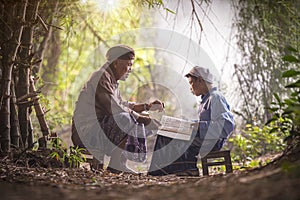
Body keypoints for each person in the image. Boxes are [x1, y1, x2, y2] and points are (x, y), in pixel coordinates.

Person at [71, 44, 163, 174]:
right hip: (86, 133)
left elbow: (122, 104)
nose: (130, 69)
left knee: (132, 118)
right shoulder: (100, 76)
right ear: (116, 63)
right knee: (125, 119)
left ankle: (118, 163)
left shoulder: (111, 79)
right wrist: (143, 119)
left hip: (97, 129)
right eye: (129, 65)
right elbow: (114, 109)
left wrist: (146, 107)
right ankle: (116, 164)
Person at [148, 66, 234, 176]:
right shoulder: (206, 99)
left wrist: (199, 126)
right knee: (165, 133)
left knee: (168, 137)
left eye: (191, 83)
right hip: (204, 137)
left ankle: (184, 169)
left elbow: (227, 125)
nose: (190, 88)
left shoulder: (215, 97)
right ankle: (173, 169)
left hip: (213, 141)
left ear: (200, 80)